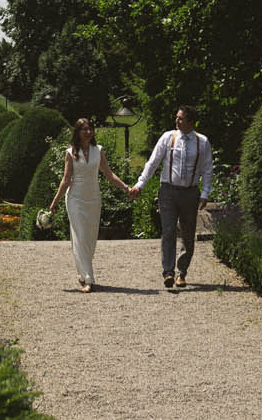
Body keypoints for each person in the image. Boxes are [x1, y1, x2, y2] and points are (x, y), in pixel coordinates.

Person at [41, 117, 133, 292]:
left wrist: (126, 187)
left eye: (90, 129)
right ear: (78, 132)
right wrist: (55, 202)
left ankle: (82, 273)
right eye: (85, 129)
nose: (88, 132)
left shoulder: (99, 150)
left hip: (93, 199)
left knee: (89, 239)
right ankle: (89, 278)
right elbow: (66, 180)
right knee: (81, 235)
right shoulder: (70, 153)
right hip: (75, 199)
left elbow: (109, 174)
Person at [131, 105, 214, 290]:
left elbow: (208, 169)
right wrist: (140, 184)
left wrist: (205, 193)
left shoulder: (202, 142)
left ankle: (181, 272)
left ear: (191, 122)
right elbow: (153, 162)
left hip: (190, 192)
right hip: (167, 190)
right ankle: (168, 272)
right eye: (177, 117)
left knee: (188, 233)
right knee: (168, 231)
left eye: (181, 118)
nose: (177, 121)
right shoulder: (168, 137)